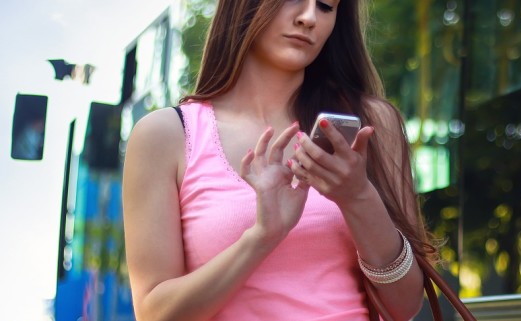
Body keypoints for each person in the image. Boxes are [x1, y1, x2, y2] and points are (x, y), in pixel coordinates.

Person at [122, 0, 437, 320]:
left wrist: (358, 197)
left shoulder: (371, 123)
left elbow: (405, 305)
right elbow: (154, 314)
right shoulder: (166, 134)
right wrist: (262, 236)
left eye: (326, 6)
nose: (309, 17)